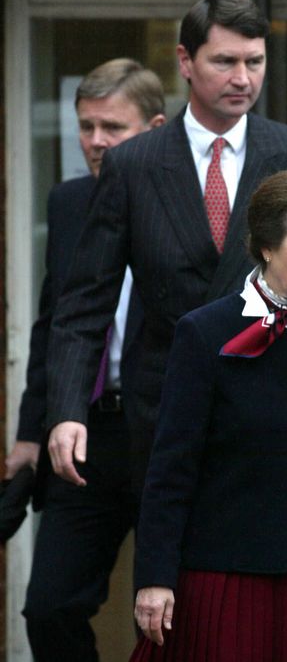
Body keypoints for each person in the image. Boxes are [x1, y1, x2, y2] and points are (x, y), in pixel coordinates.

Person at [46, 0, 287, 498]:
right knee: (169, 566)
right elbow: (84, 302)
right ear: (185, 61)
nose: (243, 78)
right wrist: (68, 412)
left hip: (270, 404)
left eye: (255, 61)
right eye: (225, 61)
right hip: (165, 407)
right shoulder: (134, 163)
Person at [129, 168, 287, 662]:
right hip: (226, 575)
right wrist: (155, 577)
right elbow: (172, 469)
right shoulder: (205, 332)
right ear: (265, 246)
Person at [6, 58, 166, 662]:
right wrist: (29, 432)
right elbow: (55, 322)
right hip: (86, 430)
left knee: (175, 613)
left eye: (113, 128)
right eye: (86, 126)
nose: (96, 142)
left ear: (153, 129)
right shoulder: (71, 202)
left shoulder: (185, 204)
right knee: (48, 608)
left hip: (161, 430)